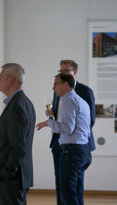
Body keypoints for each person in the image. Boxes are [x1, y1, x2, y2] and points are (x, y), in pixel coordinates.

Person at [0, 63, 36, 205]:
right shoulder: (24, 102)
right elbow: (13, 139)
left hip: (12, 178)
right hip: (18, 175)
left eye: (1, 77)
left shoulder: (17, 106)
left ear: (11, 80)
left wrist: (7, 173)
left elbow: (18, 147)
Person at [36, 73, 90, 205]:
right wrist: (51, 119)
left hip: (71, 152)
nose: (53, 88)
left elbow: (67, 129)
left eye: (56, 84)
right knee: (73, 191)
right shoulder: (80, 100)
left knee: (67, 193)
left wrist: (48, 123)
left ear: (66, 85)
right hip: (82, 150)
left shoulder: (68, 100)